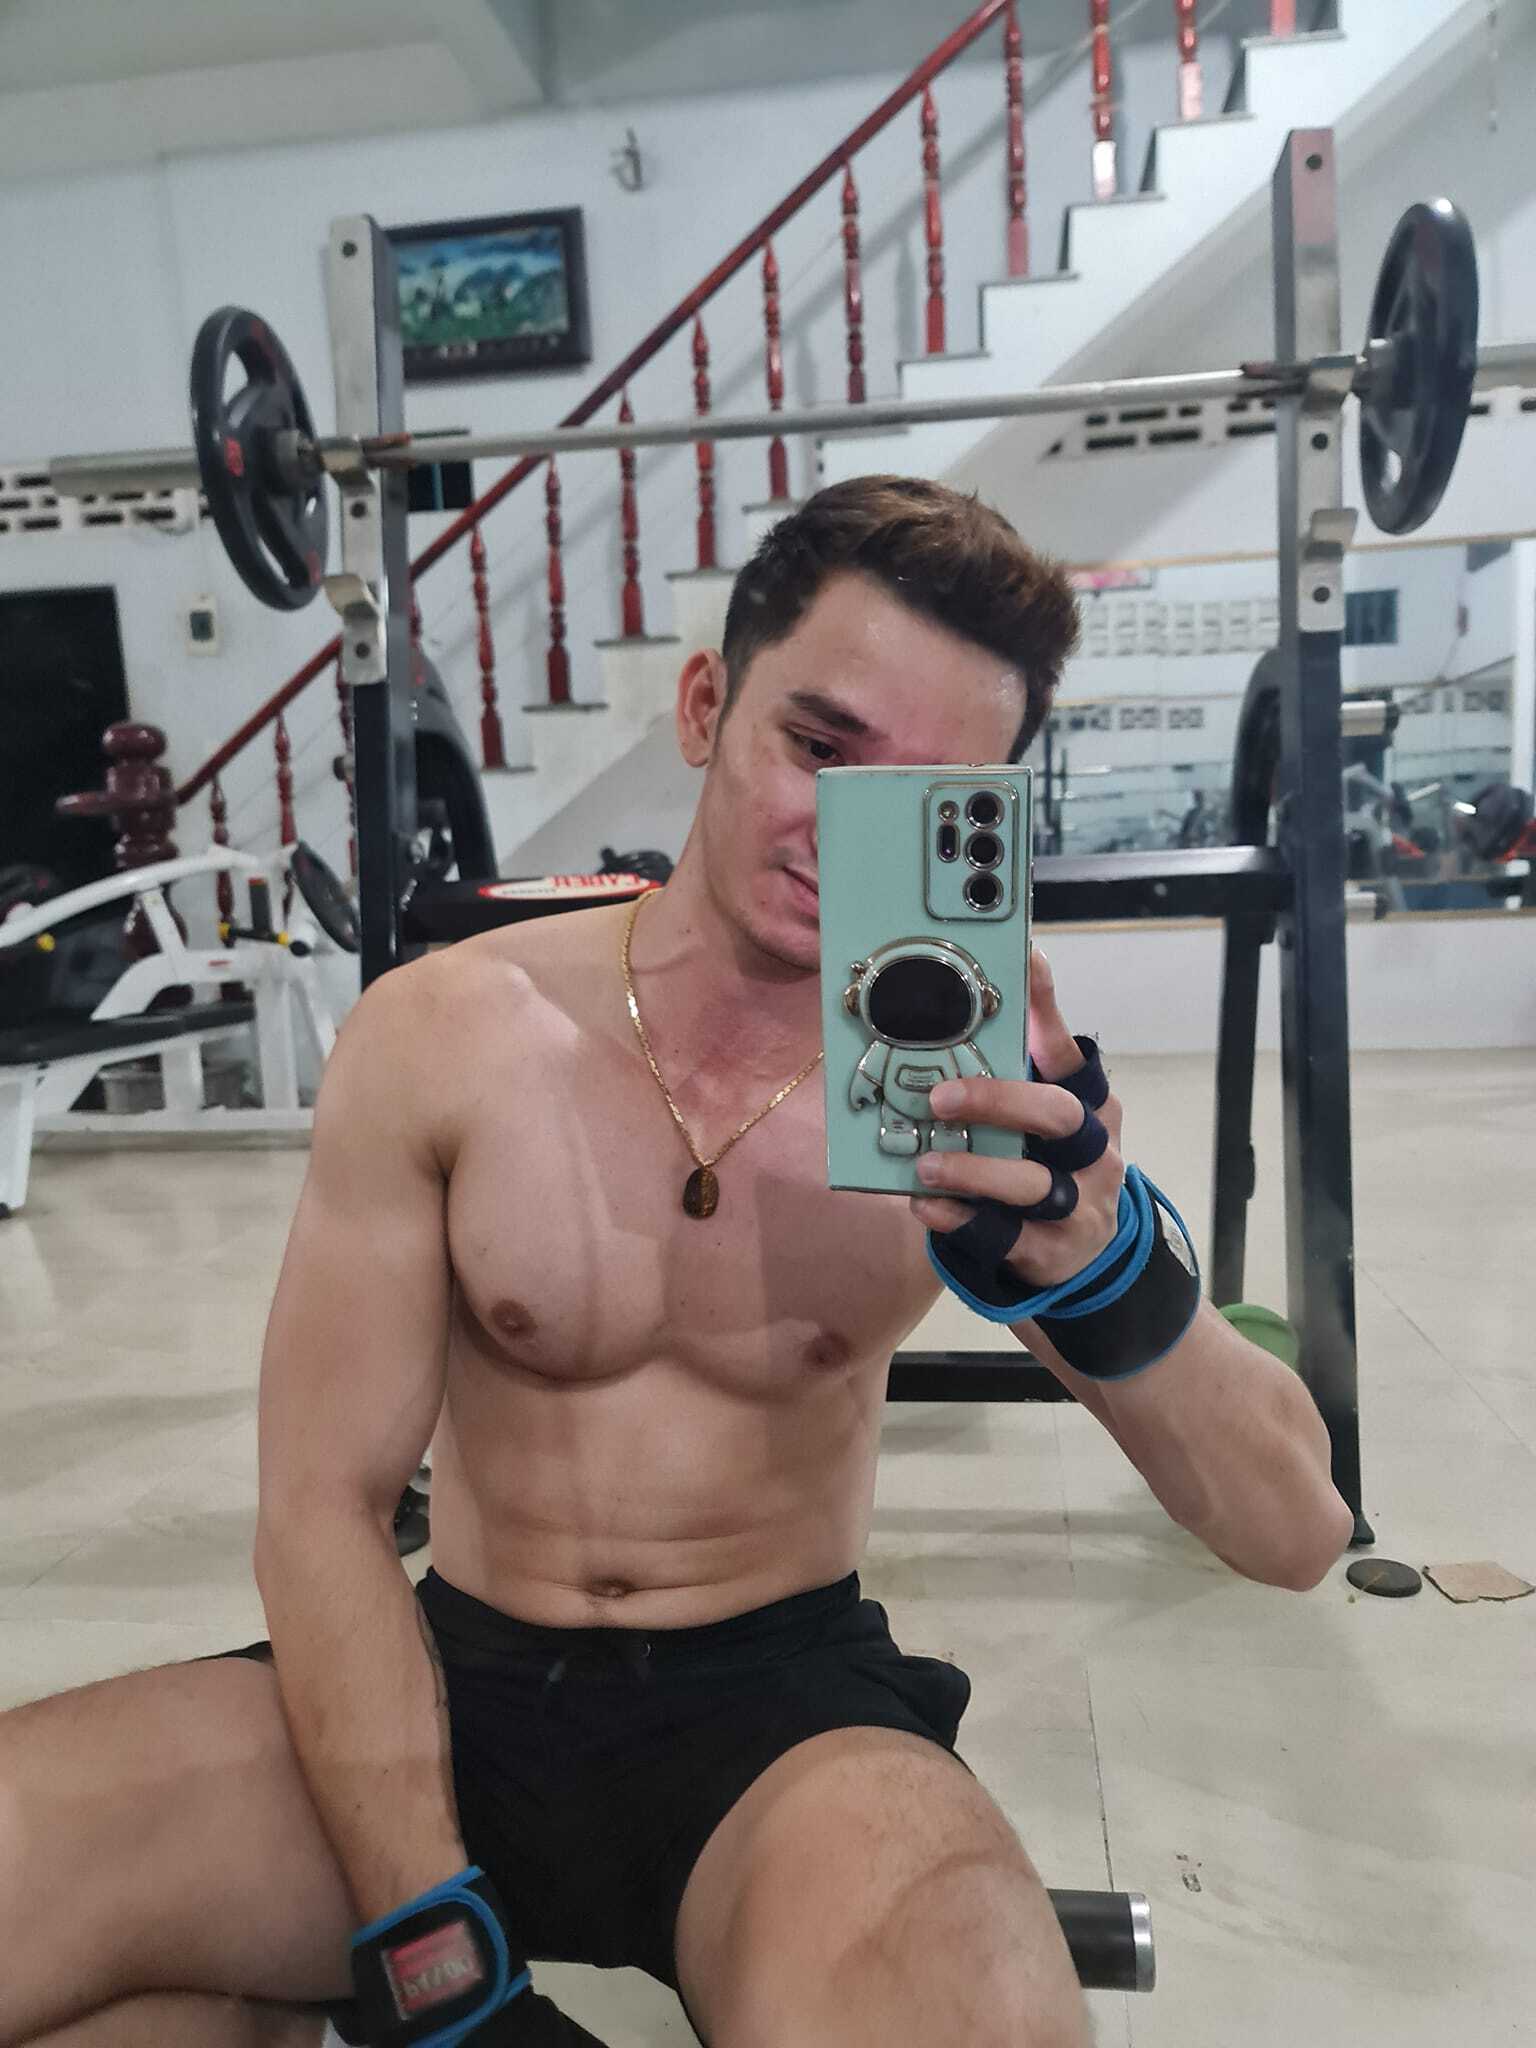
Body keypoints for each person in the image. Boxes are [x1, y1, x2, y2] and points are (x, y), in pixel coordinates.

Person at [0, 477, 1354, 2048]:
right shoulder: (446, 1032)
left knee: (986, 2023)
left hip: (778, 1726)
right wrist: (434, 1962)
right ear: (707, 704)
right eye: (820, 749)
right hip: (444, 1680)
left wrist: (1101, 1267)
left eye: (921, 802)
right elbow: (321, 1509)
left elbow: (1296, 1528)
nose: (840, 834)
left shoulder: (982, 1101)